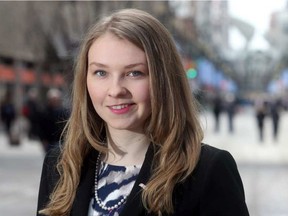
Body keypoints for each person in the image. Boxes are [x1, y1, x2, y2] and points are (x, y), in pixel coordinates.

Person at [37, 9, 249, 216]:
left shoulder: (207, 171)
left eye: (134, 73)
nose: (116, 90)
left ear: (164, 80)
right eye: (101, 72)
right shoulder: (61, 164)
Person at [38, 88, 69, 152]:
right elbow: (41, 127)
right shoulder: (44, 112)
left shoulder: (63, 112)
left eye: (56, 100)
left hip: (60, 141)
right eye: (53, 100)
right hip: (49, 141)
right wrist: (43, 140)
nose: (55, 102)